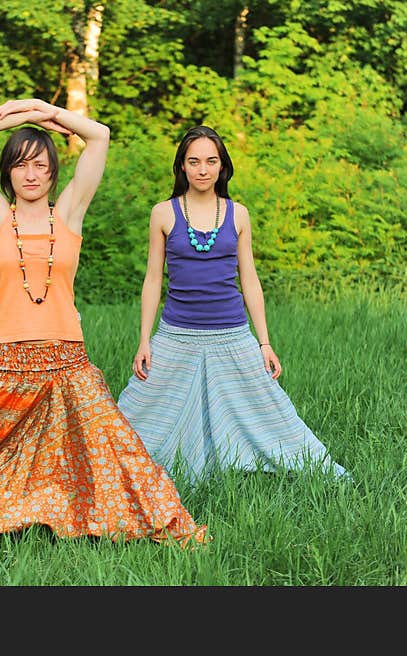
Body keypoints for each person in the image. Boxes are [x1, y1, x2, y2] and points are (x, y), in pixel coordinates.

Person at [0, 99, 207, 546]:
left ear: (53, 174)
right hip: (7, 363)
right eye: (21, 165)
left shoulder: (68, 215)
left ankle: (145, 522)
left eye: (41, 166)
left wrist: (41, 109)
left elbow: (99, 136)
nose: (31, 175)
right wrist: (12, 119)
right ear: (7, 173)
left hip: (68, 361)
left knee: (119, 452)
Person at [116, 125, 348, 483]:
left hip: (232, 333)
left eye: (211, 161)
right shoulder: (163, 213)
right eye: (194, 162)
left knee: (270, 412)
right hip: (176, 334)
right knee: (139, 411)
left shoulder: (237, 214)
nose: (203, 169)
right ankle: (117, 469)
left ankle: (300, 466)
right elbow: (152, 279)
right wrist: (145, 340)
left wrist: (264, 342)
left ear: (222, 166)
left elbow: (250, 280)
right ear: (182, 167)